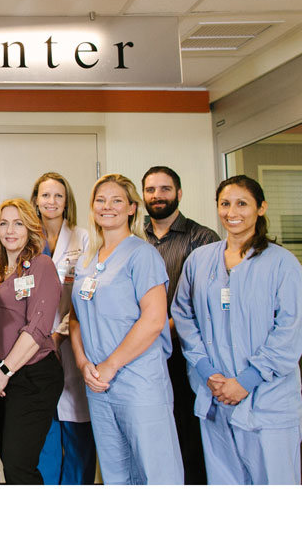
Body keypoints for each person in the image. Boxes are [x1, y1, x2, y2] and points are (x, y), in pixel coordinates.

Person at [173, 175, 302, 484]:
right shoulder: (200, 260)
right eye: (225, 204)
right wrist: (206, 371)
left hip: (267, 401)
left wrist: (247, 380)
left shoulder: (282, 264)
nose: (233, 212)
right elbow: (184, 316)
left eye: (242, 204)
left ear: (261, 208)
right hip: (214, 396)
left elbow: (290, 330)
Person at [69, 173, 183, 485]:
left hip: (138, 381)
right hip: (98, 383)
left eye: (116, 200)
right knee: (116, 471)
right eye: (100, 200)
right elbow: (75, 317)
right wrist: (83, 364)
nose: (107, 207)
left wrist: (110, 365)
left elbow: (154, 320)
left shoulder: (142, 254)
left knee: (156, 471)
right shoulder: (87, 259)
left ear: (132, 208)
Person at [141, 165, 219, 484]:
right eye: (150, 190)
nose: (157, 196)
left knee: (188, 432)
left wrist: (157, 327)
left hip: (183, 353)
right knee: (156, 433)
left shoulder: (202, 239)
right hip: (143, 353)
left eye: (165, 189)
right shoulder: (134, 238)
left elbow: (201, 303)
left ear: (179, 194)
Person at [0, 198, 63, 484]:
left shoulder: (41, 265)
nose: (10, 230)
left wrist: (4, 371)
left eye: (18, 223)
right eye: (4, 223)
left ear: (30, 227)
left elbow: (38, 328)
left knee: (19, 465)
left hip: (31, 375)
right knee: (9, 463)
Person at [31, 172, 96, 485]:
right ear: (36, 200)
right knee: (43, 421)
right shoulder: (28, 239)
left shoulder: (83, 237)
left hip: (71, 340)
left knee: (75, 417)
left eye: (58, 195)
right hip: (33, 341)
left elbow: (85, 292)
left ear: (67, 200)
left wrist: (59, 334)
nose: (51, 202)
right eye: (45, 195)